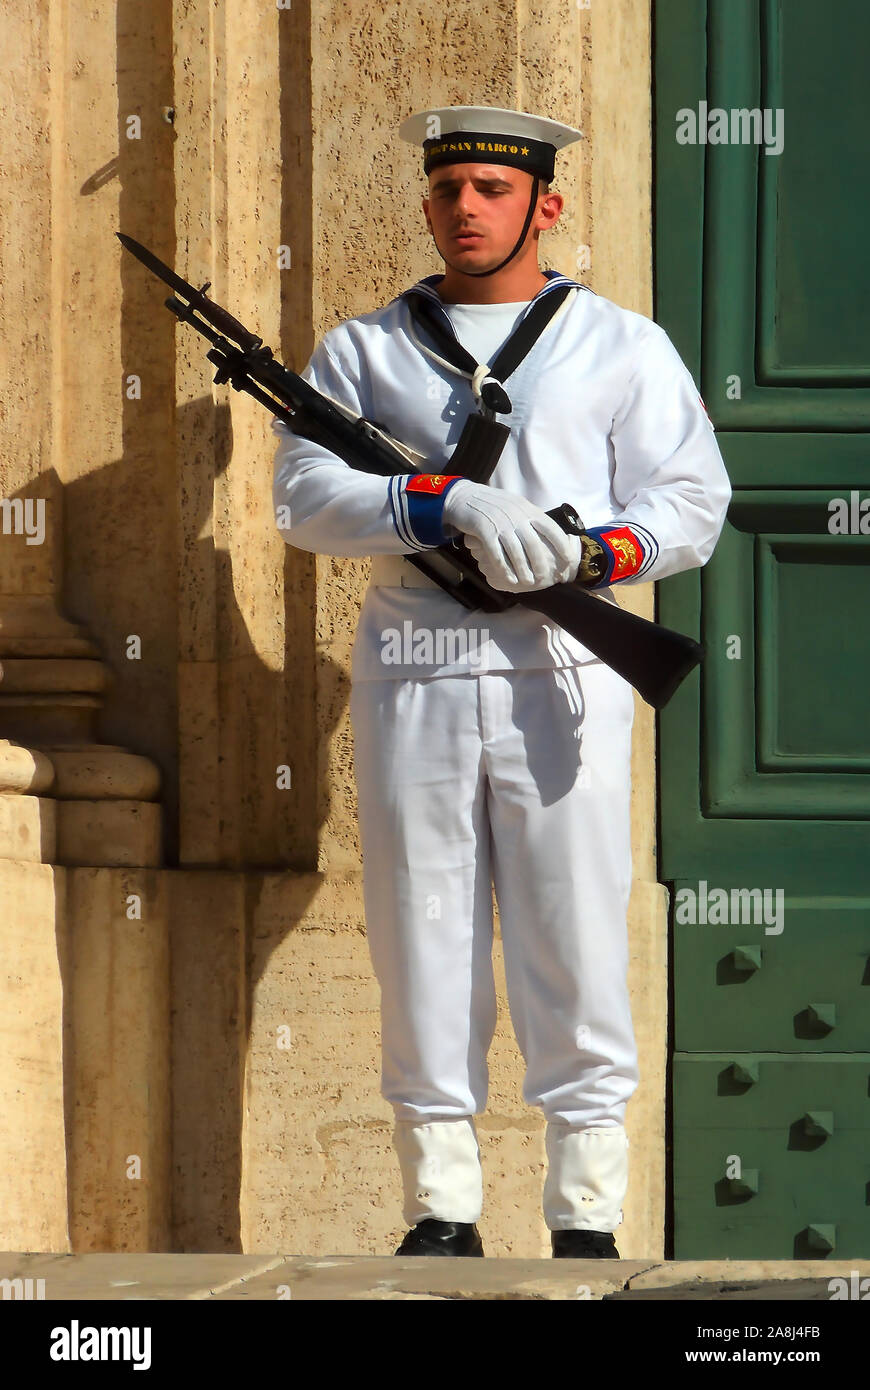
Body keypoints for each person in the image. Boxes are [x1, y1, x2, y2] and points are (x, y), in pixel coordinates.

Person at [272, 105, 731, 1258]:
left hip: (563, 664)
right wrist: (433, 500)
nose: (465, 210)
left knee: (573, 928)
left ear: (545, 204)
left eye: (488, 187)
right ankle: (441, 1207)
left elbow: (691, 503)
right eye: (447, 191)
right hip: (414, 669)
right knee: (419, 927)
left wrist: (589, 555)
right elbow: (301, 498)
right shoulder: (364, 350)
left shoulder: (622, 344)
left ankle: (585, 1213)